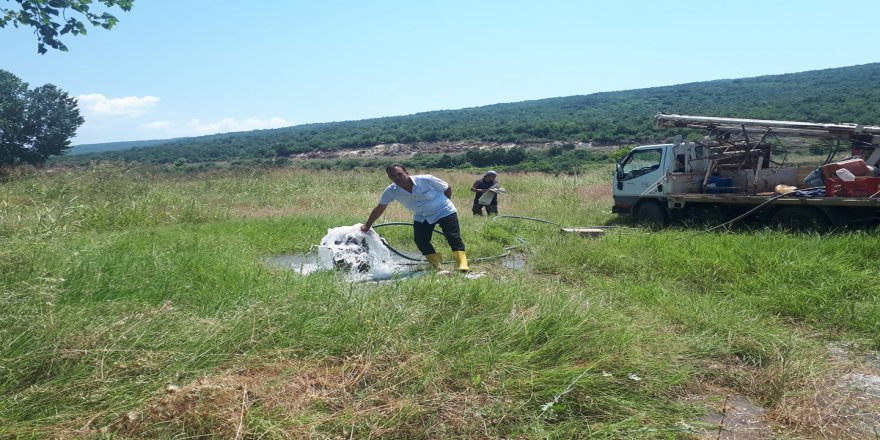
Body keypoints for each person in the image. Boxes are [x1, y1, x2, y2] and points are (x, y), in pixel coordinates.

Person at [361, 164, 468, 271]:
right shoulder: (391, 191)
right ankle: (436, 265)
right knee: (421, 240)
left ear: (406, 173)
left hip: (444, 210)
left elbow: (446, 187)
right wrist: (367, 225)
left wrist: (446, 201)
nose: (397, 177)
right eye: (393, 176)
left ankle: (462, 264)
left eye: (399, 174)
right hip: (422, 215)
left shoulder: (426, 179)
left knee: (452, 236)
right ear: (389, 178)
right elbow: (380, 208)